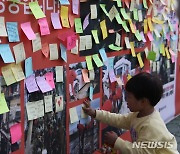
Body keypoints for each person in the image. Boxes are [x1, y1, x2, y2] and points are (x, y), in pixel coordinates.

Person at [83, 72, 179, 154]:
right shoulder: (138, 115)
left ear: (143, 102)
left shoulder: (151, 125)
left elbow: (140, 152)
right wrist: (95, 113)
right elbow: (119, 120)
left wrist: (117, 142)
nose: (126, 100)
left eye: (129, 97)